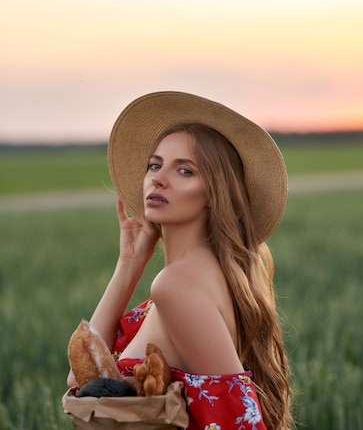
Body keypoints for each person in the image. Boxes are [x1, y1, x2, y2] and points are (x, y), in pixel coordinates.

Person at [67, 91, 293, 430]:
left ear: (214, 194)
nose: (158, 178)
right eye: (155, 165)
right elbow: (83, 376)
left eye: (184, 171)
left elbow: (237, 421)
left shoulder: (178, 285)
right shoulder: (201, 276)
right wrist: (129, 263)